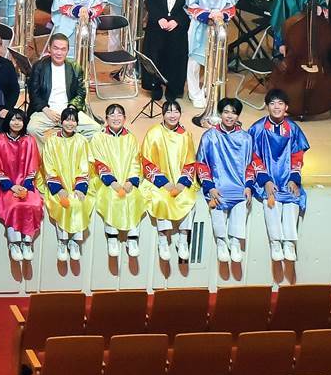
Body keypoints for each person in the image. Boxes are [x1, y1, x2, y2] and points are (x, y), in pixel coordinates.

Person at [251, 88, 309, 264]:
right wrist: (265, 180)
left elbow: (297, 155)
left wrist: (294, 179)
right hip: (266, 177)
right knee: (271, 201)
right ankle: (275, 242)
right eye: (272, 103)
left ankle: (290, 243)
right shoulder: (258, 128)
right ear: (267, 106)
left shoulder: (293, 128)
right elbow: (253, 156)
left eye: (280, 103)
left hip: (287, 177)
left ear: (286, 107)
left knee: (293, 200)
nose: (276, 107)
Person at [197, 97, 254, 268]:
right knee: (216, 203)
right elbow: (201, 163)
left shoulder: (246, 138)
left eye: (234, 113)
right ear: (220, 114)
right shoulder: (209, 136)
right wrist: (209, 186)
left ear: (238, 116)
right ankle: (221, 242)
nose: (229, 116)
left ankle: (235, 242)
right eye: (226, 112)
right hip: (217, 184)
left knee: (242, 202)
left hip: (238, 185)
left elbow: (250, 164)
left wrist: (248, 186)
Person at [140, 98, 199, 266]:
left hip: (180, 181)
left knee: (188, 198)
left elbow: (190, 162)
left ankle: (183, 238)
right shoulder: (153, 133)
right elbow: (146, 161)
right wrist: (164, 183)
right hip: (159, 181)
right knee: (161, 198)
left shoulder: (185, 135)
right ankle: (163, 239)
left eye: (176, 111)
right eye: (169, 112)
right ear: (163, 114)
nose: (172, 115)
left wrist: (181, 184)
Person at [185, 0, 240, 113]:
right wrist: (207, 16)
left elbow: (231, 7)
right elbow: (190, 5)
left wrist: (221, 15)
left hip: (218, 26)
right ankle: (194, 94)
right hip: (199, 25)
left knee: (214, 61)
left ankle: (208, 92)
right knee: (194, 60)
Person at [38, 107, 93, 268]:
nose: (70, 123)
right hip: (56, 184)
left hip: (76, 184)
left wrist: (80, 188)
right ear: (61, 122)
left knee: (78, 202)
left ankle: (75, 241)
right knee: (62, 203)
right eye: (67, 120)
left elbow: (85, 166)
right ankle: (62, 241)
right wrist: (58, 188)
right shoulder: (52, 141)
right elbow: (48, 166)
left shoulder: (81, 141)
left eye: (73, 120)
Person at [90, 102, 146, 261]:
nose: (116, 118)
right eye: (112, 115)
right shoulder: (99, 137)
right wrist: (112, 182)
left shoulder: (131, 138)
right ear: (106, 118)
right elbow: (97, 161)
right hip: (105, 181)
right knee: (111, 196)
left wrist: (130, 181)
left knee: (135, 197)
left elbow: (136, 162)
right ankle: (112, 237)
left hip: (127, 181)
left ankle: (133, 238)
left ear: (125, 118)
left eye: (119, 114)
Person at [0, 109, 42, 265]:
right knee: (14, 205)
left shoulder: (29, 141)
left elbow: (34, 165)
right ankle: (14, 243)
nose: (16, 123)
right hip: (6, 186)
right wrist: (11, 186)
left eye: (20, 119)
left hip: (25, 184)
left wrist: (26, 185)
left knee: (34, 203)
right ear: (8, 121)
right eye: (13, 119)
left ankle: (27, 242)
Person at [140, 0, 191, 103]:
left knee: (175, 57)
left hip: (177, 26)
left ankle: (172, 88)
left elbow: (190, 5)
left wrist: (177, 21)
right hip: (158, 24)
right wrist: (159, 18)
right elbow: (149, 1)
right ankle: (155, 86)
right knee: (154, 54)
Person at [27, 33, 93, 138]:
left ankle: (73, 147)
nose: (59, 53)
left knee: (96, 130)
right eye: (56, 48)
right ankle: (50, 148)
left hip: (69, 111)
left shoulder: (75, 67)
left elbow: (81, 93)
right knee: (32, 129)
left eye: (63, 49)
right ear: (49, 48)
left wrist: (71, 109)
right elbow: (34, 93)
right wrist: (46, 110)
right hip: (46, 111)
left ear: (67, 51)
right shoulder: (39, 66)